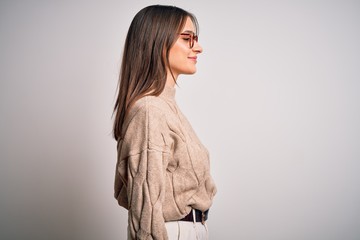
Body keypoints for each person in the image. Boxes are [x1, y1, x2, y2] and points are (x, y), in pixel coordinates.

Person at [113, 5, 217, 240]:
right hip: (172, 232)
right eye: (187, 39)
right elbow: (145, 211)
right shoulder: (150, 110)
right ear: (158, 43)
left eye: (196, 39)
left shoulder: (165, 106)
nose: (198, 47)